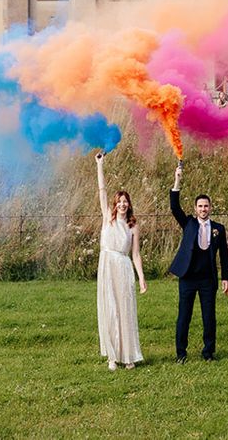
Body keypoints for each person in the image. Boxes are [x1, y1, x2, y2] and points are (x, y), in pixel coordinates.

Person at [169, 162, 228, 363]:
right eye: (200, 206)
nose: (203, 209)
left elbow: (224, 255)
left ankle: (208, 352)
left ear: (210, 208)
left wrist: (225, 278)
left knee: (209, 317)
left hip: (207, 279)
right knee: (183, 316)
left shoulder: (219, 228)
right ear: (195, 209)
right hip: (187, 277)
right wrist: (177, 179)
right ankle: (181, 353)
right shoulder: (188, 223)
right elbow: (174, 206)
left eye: (206, 206)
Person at [95, 153, 146, 371]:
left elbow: (135, 254)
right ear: (115, 204)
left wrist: (141, 277)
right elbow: (102, 191)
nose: (123, 204)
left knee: (125, 309)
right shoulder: (108, 217)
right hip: (107, 264)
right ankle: (112, 356)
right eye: (120, 202)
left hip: (123, 266)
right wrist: (100, 166)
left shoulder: (133, 226)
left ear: (129, 205)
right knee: (110, 307)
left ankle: (128, 355)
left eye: (126, 202)